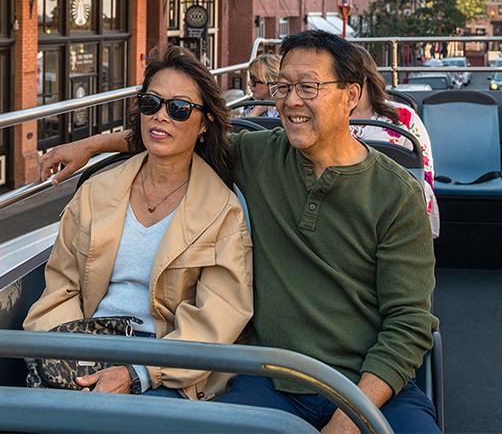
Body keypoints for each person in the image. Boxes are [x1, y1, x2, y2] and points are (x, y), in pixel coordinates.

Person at [39, 31, 439, 433]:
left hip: (368, 386)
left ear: (351, 96)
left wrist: (351, 417)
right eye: (283, 86)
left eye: (308, 87)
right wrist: (90, 146)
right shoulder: (259, 154)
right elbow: (173, 130)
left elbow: (409, 323)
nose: (290, 100)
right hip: (270, 377)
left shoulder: (396, 194)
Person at [25, 46, 253, 400]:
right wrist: (73, 356)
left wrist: (139, 373)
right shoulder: (97, 192)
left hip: (166, 367)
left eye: (179, 109)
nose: (161, 117)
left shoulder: (223, 212)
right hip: (87, 347)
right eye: (151, 103)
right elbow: (61, 286)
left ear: (205, 122)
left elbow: (217, 318)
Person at [350, 46, 440, 238]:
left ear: (364, 76)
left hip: (395, 208)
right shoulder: (328, 118)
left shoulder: (403, 118)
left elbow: (425, 172)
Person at [243, 53, 280, 118]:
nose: (249, 83)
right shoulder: (251, 104)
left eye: (254, 80)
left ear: (272, 83)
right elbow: (243, 127)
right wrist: (255, 113)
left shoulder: (288, 108)